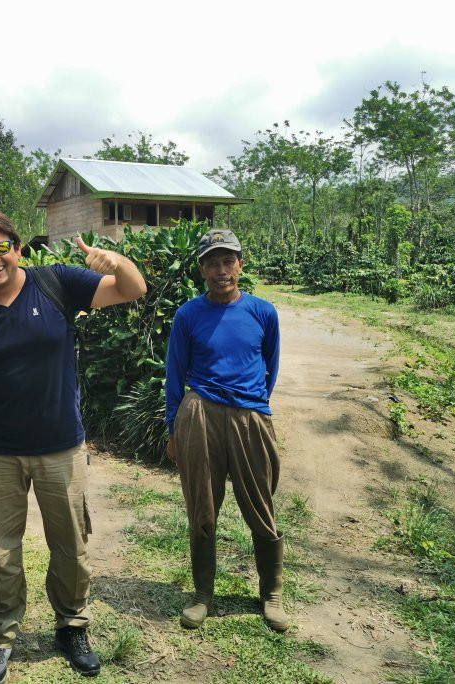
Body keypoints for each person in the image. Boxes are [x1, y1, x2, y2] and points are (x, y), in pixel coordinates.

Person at [0, 209, 147, 682]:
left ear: (17, 247)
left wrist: (115, 260)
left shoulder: (56, 282)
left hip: (61, 446)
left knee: (71, 545)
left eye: (0, 248)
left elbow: (134, 289)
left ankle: (71, 625)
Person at [164, 228, 288, 632]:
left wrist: (254, 409)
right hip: (200, 415)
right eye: (213, 262)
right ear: (202, 269)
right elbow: (174, 374)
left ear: (240, 264)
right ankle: (202, 596)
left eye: (228, 261)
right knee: (203, 505)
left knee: (260, 505)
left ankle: (271, 595)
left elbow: (269, 365)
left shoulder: (262, 312)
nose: (222, 270)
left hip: (250, 416)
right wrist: (173, 430)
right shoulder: (188, 315)